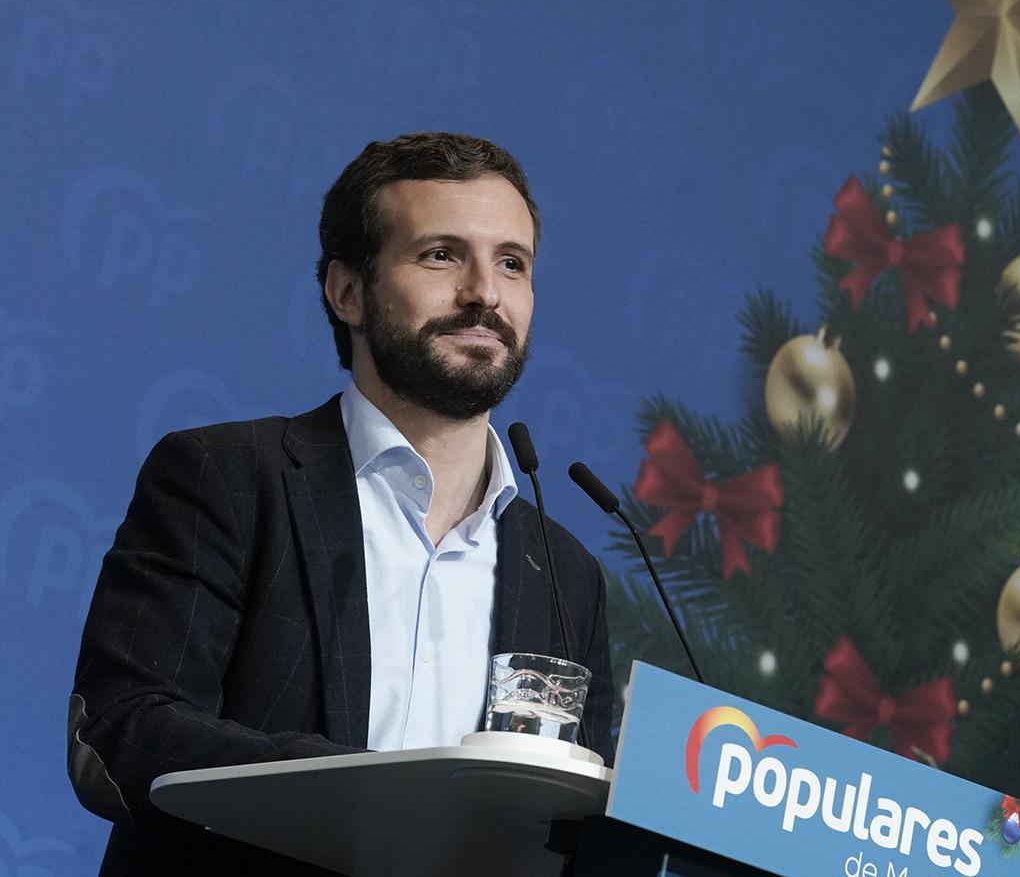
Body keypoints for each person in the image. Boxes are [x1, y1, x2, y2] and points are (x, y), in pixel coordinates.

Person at [68, 133, 614, 875]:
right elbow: (121, 731)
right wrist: (367, 796)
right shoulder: (229, 478)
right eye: (442, 255)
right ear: (347, 291)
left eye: (512, 263)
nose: (485, 292)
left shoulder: (566, 575)